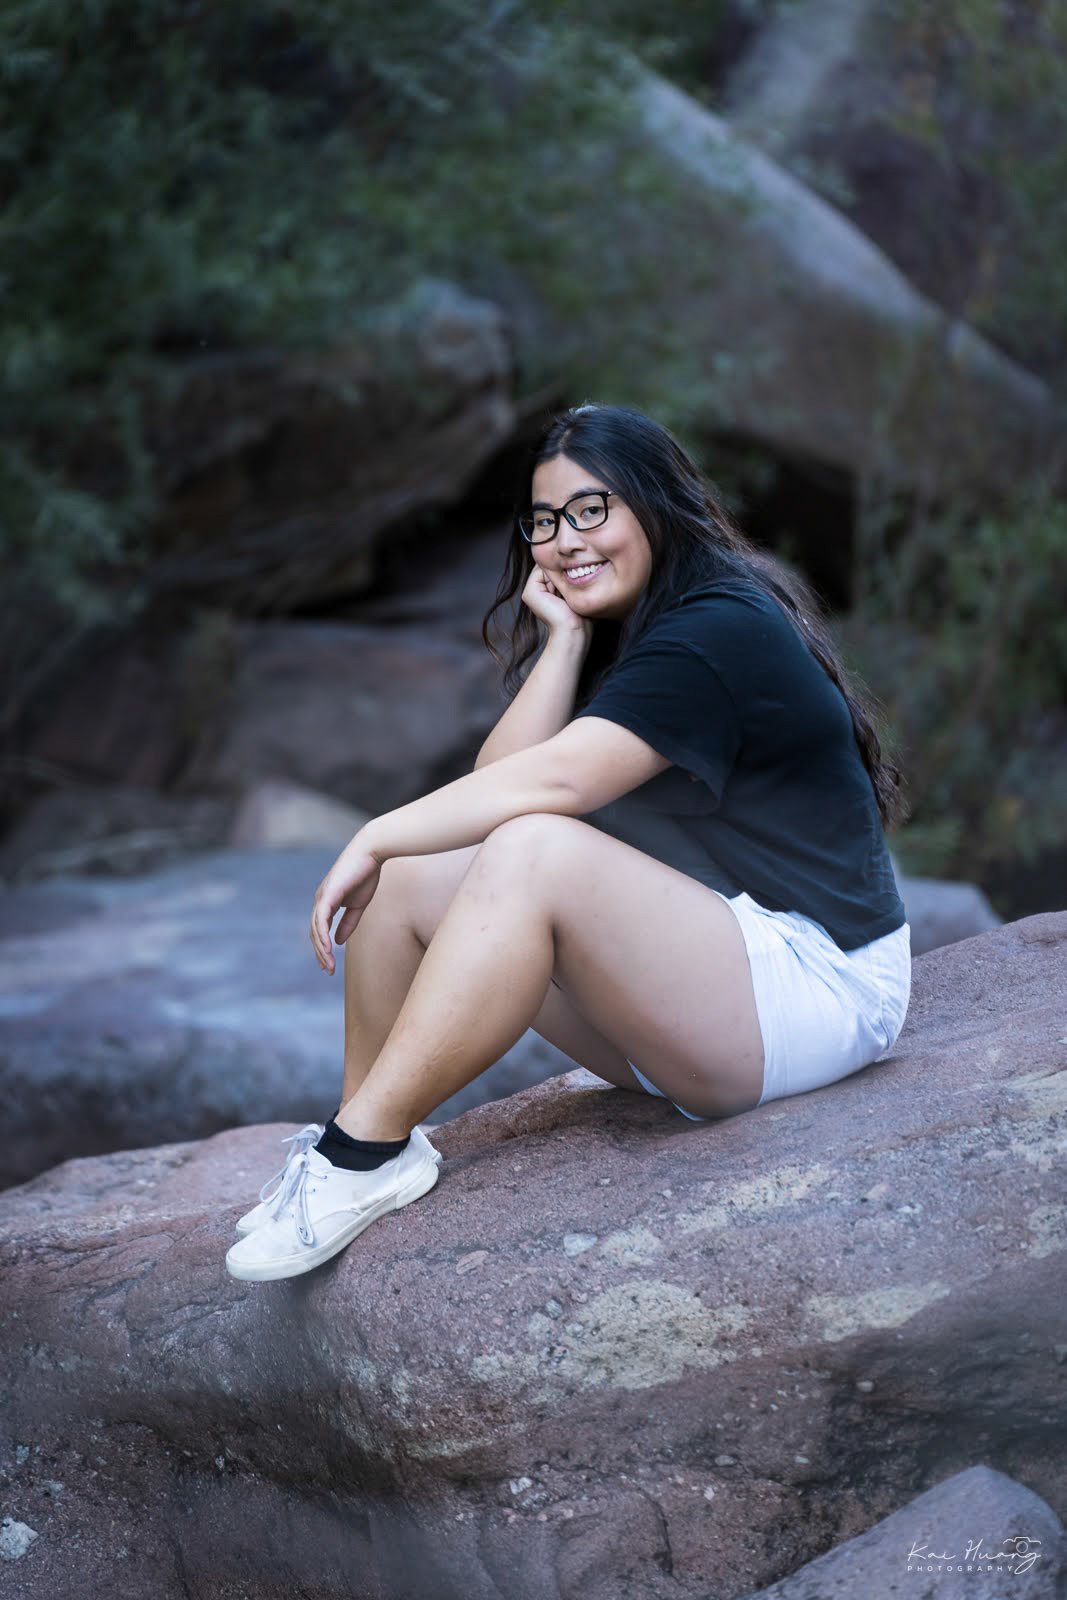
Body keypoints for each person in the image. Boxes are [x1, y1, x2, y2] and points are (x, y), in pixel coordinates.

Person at [225, 403, 911, 1283]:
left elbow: (552, 789)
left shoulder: (717, 626)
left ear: (655, 503)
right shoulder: (630, 627)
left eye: (592, 509)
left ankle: (359, 1151)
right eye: (544, 520)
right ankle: (358, 1149)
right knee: (419, 870)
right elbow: (498, 787)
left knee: (530, 850)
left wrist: (371, 830)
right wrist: (563, 642)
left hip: (823, 992)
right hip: (706, 998)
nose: (563, 541)